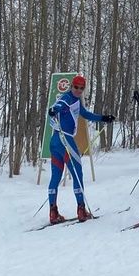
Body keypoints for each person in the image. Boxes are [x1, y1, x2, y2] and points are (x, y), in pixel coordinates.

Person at [46, 74, 114, 223]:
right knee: (77, 174)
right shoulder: (68, 97)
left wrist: (104, 118)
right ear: (72, 86)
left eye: (81, 88)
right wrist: (53, 109)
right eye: (76, 87)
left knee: (56, 177)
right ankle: (81, 210)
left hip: (55, 141)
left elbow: (86, 114)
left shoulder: (76, 101)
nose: (78, 90)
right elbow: (59, 104)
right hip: (65, 140)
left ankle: (53, 212)